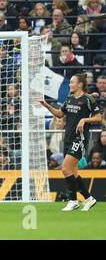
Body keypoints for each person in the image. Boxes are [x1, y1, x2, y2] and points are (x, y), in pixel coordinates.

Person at [39, 73, 101, 211]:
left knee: (65, 168)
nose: (70, 84)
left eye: (72, 82)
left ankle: (73, 200)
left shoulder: (88, 99)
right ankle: (89, 199)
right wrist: (46, 105)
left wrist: (85, 120)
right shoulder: (69, 99)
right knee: (73, 172)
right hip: (67, 139)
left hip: (80, 139)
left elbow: (98, 118)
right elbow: (60, 114)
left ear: (80, 84)